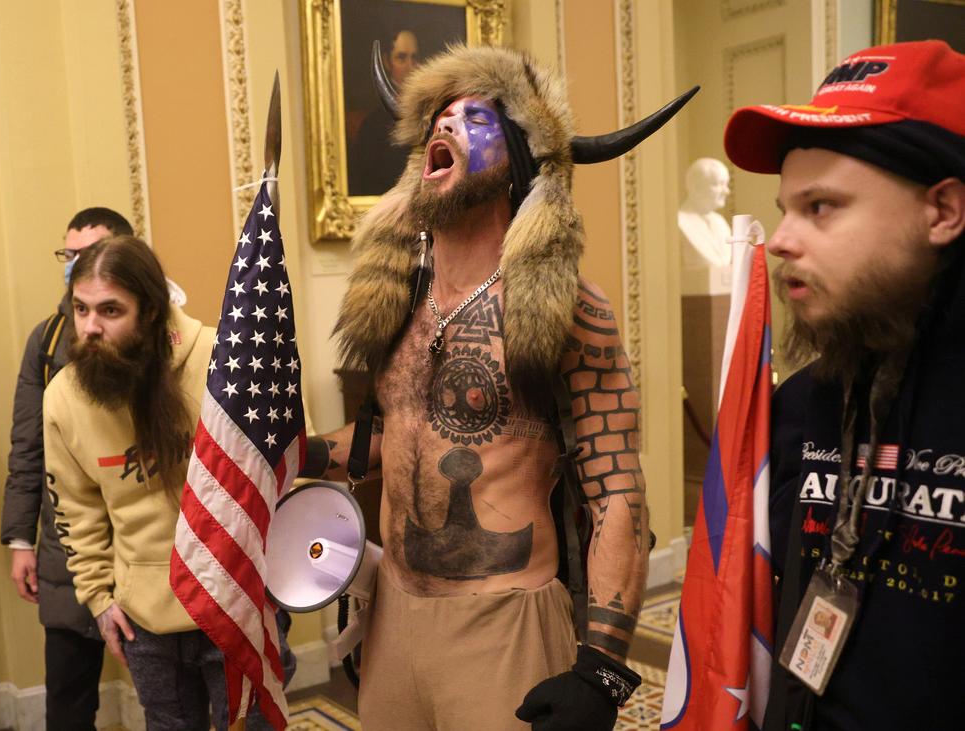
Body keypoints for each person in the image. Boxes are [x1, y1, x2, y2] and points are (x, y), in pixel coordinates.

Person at [304, 46, 690, 729]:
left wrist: (602, 670)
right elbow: (393, 436)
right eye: (440, 116)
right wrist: (302, 455)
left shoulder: (568, 308)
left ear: (517, 159)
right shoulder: (398, 300)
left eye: (475, 117)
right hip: (392, 615)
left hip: (503, 623)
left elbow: (615, 490)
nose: (445, 123)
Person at [723, 40, 965, 730]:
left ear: (943, 211)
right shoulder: (802, 406)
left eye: (821, 206)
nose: (780, 239)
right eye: (785, 207)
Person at [44, 238, 290, 730]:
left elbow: (280, 473)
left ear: (151, 311)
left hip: (235, 602)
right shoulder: (63, 398)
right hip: (145, 620)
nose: (89, 327)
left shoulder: (226, 360)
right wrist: (99, 600)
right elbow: (75, 510)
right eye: (81, 309)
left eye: (110, 310)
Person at [0, 206, 132, 730]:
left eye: (88, 253)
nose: (75, 264)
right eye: (68, 254)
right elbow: (27, 444)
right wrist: (20, 540)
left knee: (169, 696)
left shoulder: (161, 333)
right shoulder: (49, 339)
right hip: (66, 545)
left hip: (143, 540)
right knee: (69, 702)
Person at [347, 29, 420, 196]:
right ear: (387, 62)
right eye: (401, 58)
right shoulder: (373, 125)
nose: (411, 66)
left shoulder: (431, 114)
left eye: (414, 57)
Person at [677, 158, 733, 294]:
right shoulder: (679, 221)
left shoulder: (721, 223)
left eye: (726, 184)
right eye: (719, 184)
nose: (726, 191)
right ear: (696, 188)